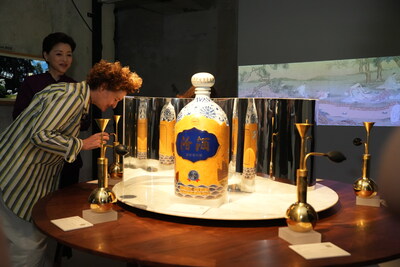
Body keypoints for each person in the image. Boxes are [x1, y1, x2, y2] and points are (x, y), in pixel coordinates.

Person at [0, 59, 142, 267]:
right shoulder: (71, 97)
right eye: (116, 98)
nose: (115, 104)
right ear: (103, 87)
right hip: (17, 177)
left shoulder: (72, 93)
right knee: (26, 246)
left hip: (19, 174)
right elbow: (41, 135)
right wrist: (81, 144)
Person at [12, 32, 88, 190]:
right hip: (37, 157)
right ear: (46, 56)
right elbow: (19, 116)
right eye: (59, 54)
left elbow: (85, 122)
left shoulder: (75, 86)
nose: (65, 59)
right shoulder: (32, 82)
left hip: (68, 156)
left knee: (66, 204)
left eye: (69, 55)